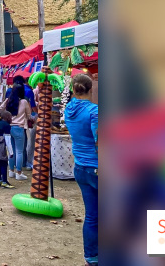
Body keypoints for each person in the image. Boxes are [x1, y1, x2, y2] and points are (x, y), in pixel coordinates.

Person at [64, 74, 98, 266]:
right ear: (90, 89)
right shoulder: (94, 111)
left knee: (92, 215)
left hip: (81, 167)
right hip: (97, 166)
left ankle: (92, 258)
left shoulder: (69, 109)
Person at [0, 78, 33, 181]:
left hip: (9, 128)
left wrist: (5, 115)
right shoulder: (24, 102)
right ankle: (19, 172)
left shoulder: (8, 100)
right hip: (19, 128)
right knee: (19, 151)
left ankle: (11, 171)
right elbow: (29, 115)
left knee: (11, 151)